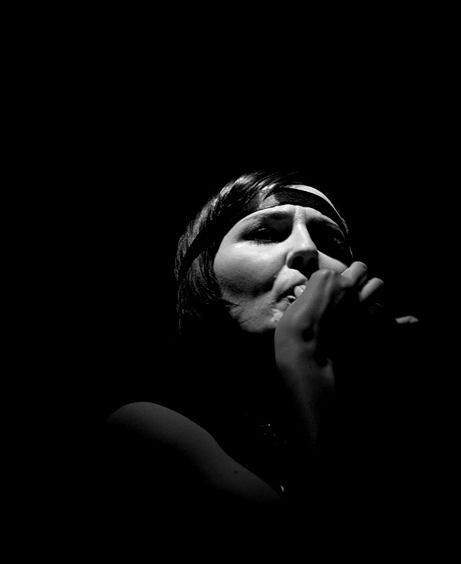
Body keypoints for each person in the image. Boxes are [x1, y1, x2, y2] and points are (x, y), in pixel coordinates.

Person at [83, 170, 419, 552]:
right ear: (204, 268)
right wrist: (302, 353)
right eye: (265, 233)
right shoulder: (145, 432)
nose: (307, 250)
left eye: (330, 241)